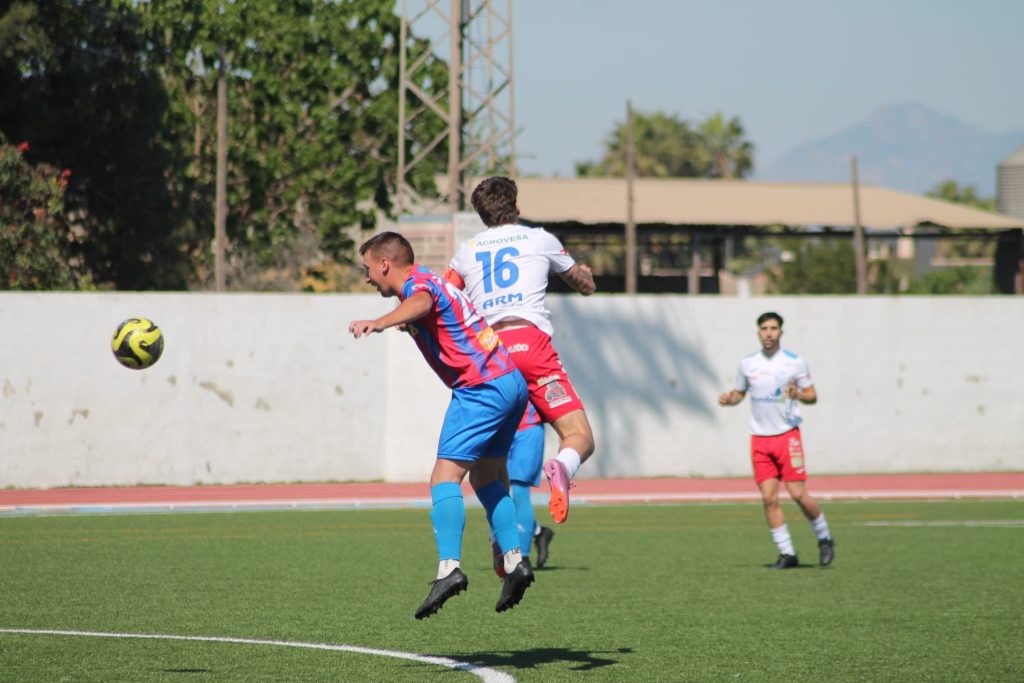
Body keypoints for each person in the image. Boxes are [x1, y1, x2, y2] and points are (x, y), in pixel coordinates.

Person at [348, 231, 534, 618]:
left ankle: (449, 569)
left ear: (385, 264)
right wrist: (409, 323)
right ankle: (514, 560)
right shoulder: (431, 280)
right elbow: (434, 310)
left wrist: (380, 323)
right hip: (510, 382)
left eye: (368, 269)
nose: (367, 278)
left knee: (443, 479)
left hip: (480, 388)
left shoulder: (419, 286)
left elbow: (422, 301)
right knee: (486, 478)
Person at [444, 175, 596, 525]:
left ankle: (501, 540)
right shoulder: (540, 239)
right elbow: (583, 284)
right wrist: (587, 275)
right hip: (531, 347)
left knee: (490, 465)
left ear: (482, 215)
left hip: (489, 355)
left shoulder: (466, 250)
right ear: (516, 206)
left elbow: (443, 295)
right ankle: (563, 466)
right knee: (579, 436)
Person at [717, 312, 835, 569]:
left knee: (797, 494)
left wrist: (798, 393)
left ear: (781, 332)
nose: (768, 333)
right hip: (759, 439)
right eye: (764, 328)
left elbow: (812, 396)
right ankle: (787, 554)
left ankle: (824, 537)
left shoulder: (794, 362)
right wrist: (729, 399)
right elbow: (739, 393)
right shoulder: (748, 363)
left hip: (787, 436)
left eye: (773, 328)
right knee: (769, 499)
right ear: (758, 333)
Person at [490, 402, 556, 578]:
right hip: (500, 429)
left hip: (528, 429)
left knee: (520, 490)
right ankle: (538, 531)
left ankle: (522, 558)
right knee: (496, 491)